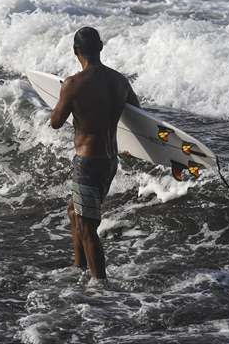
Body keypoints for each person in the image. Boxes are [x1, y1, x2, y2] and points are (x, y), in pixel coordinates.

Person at [50, 26, 140, 281]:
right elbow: (137, 116)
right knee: (74, 212)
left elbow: (56, 122)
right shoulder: (120, 81)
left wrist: (64, 97)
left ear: (75, 51)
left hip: (87, 162)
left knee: (87, 226)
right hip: (110, 161)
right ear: (100, 47)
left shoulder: (73, 84)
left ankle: (100, 285)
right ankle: (78, 268)